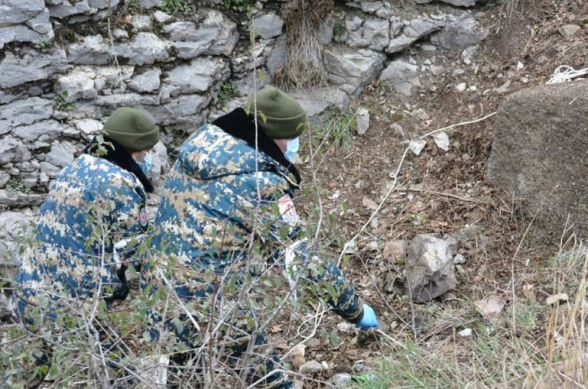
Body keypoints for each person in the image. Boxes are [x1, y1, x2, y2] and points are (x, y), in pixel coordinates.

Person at [142, 85, 379, 388]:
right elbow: (301, 260)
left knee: (185, 376)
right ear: (275, 137)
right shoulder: (260, 183)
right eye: (292, 138)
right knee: (270, 381)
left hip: (159, 294)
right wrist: (354, 310)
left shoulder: (201, 145)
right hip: (213, 302)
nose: (294, 146)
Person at [11, 107, 159, 387]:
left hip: (29, 291)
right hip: (76, 304)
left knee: (22, 375)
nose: (147, 158)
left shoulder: (76, 166)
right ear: (134, 149)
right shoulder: (122, 182)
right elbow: (134, 253)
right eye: (146, 150)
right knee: (120, 376)